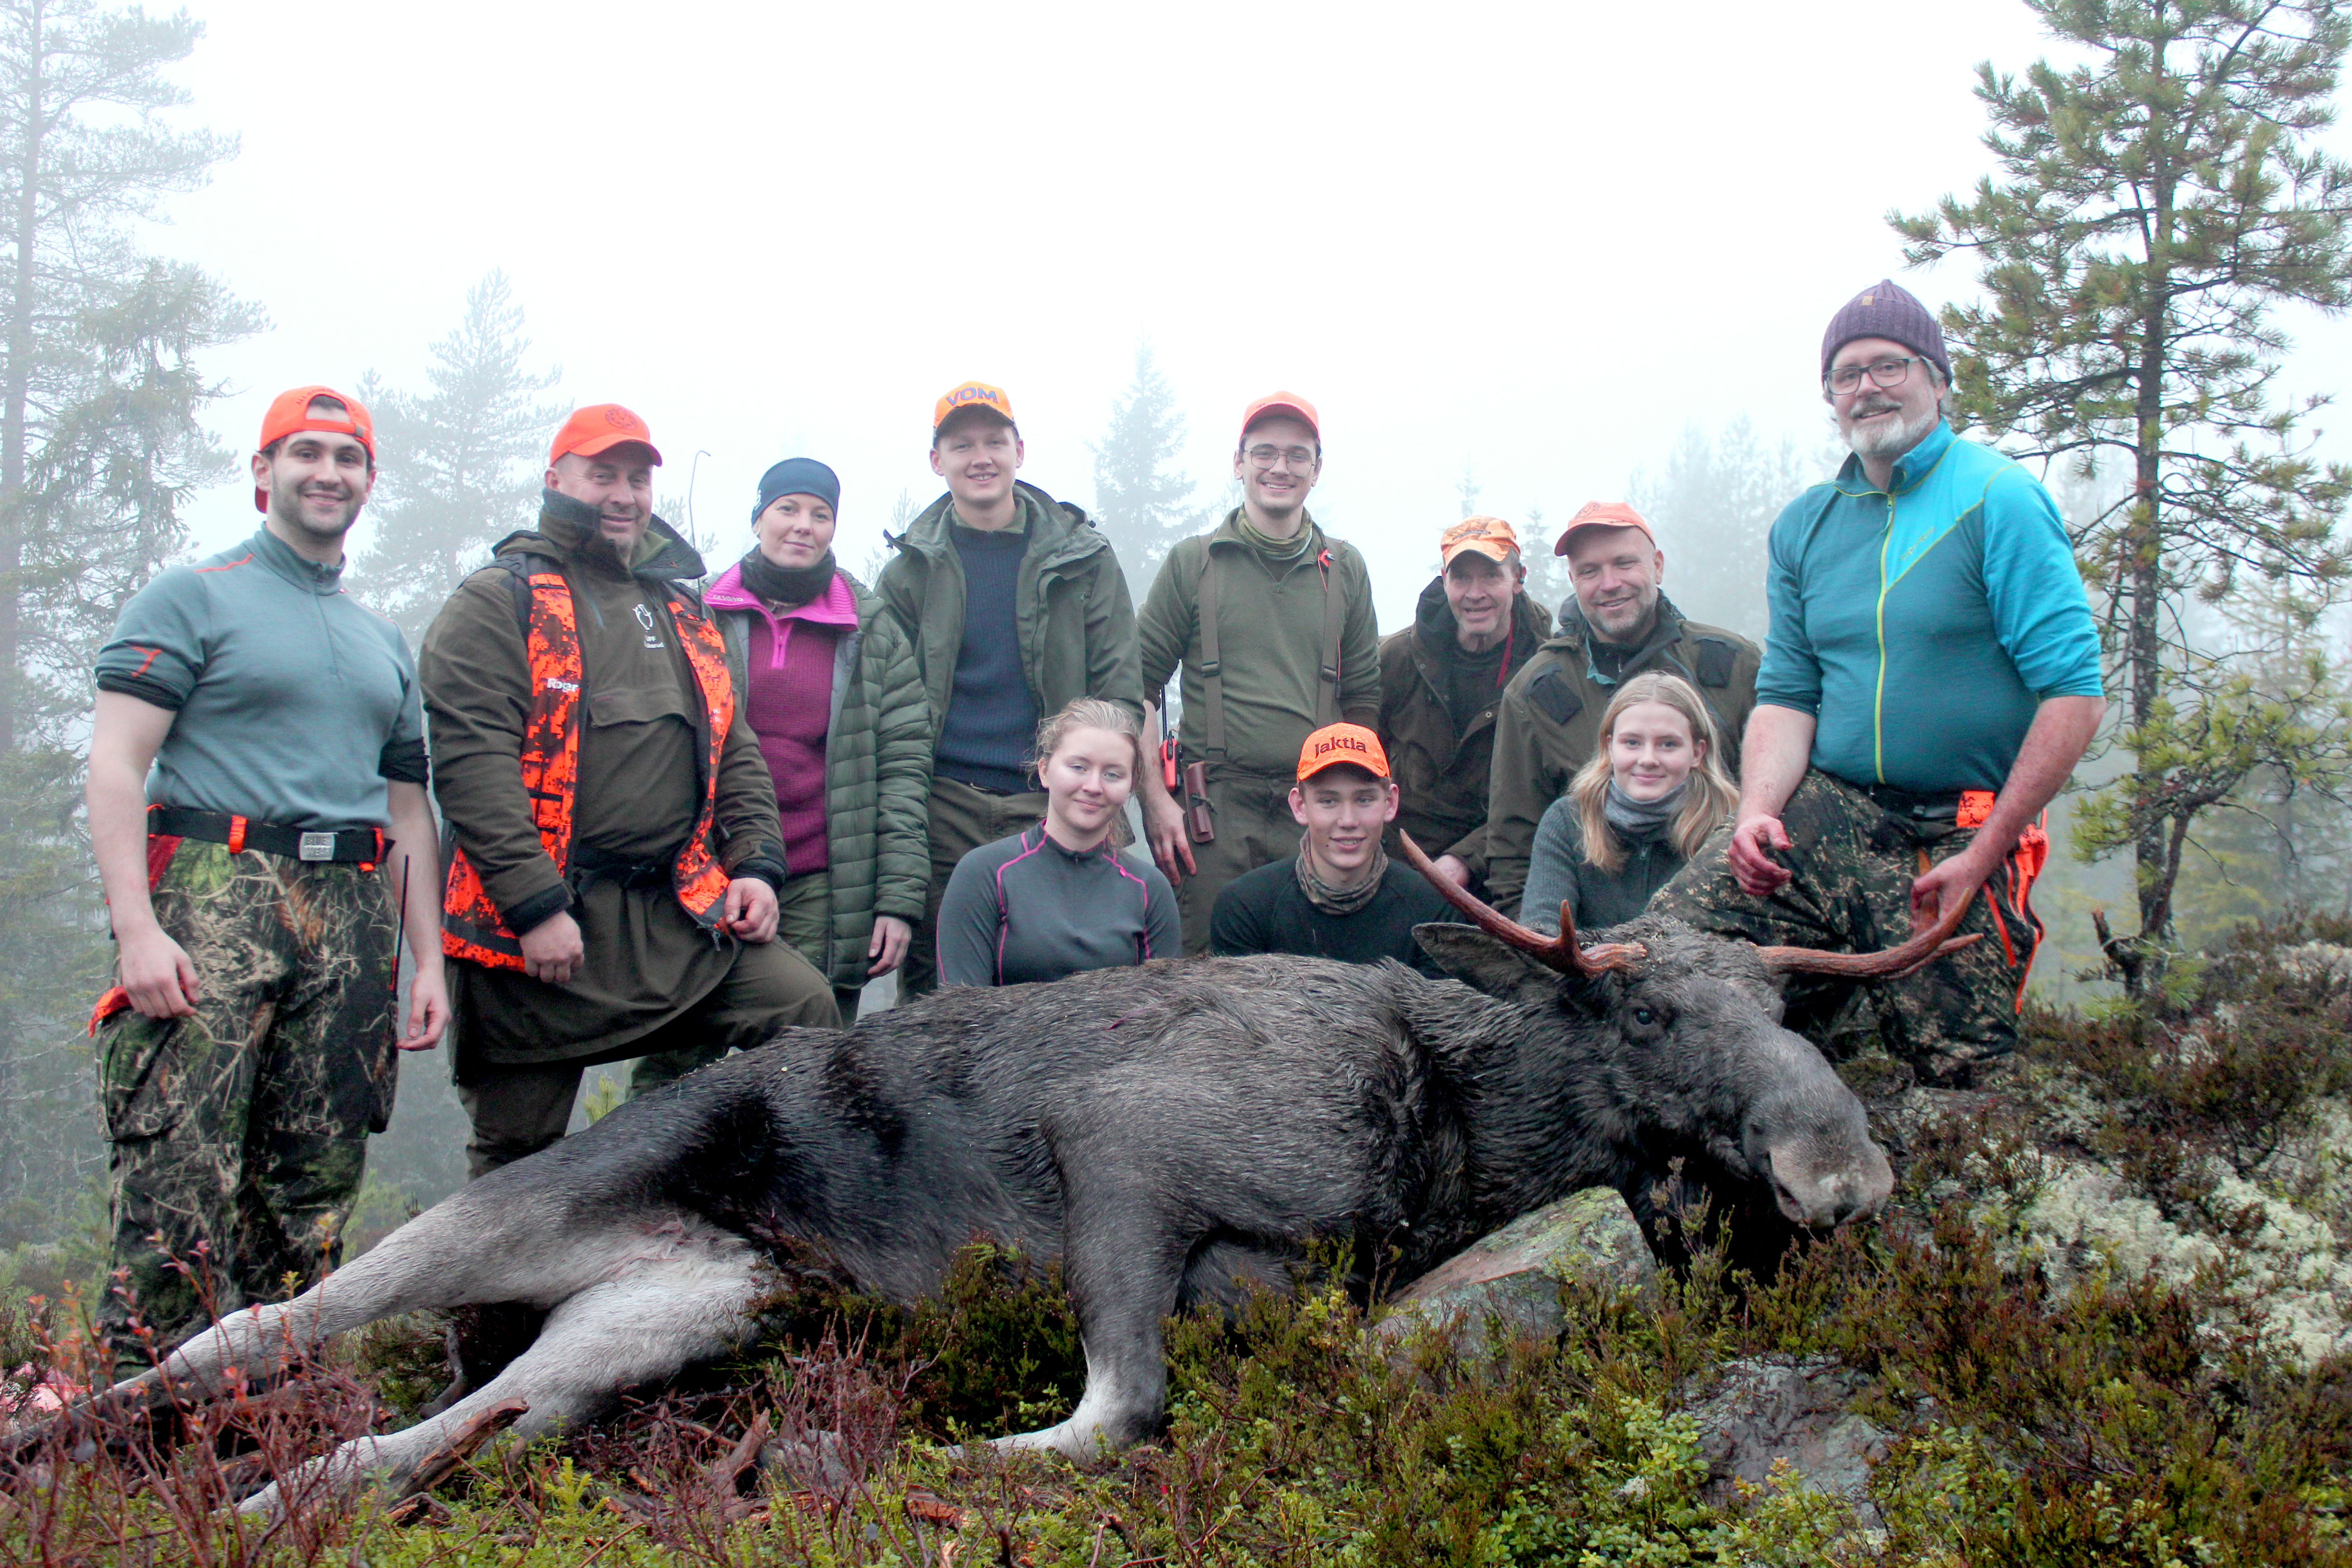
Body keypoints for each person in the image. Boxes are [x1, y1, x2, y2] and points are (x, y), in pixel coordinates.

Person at [1653, 279, 2106, 1086]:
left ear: (1937, 378)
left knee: (1957, 1069)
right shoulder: (1806, 525)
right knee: (1661, 957)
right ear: (1828, 397)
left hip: (1959, 824)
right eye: (1845, 374)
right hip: (1832, 807)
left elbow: (2072, 692)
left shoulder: (1997, 499)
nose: (1865, 386)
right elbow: (1787, 694)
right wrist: (1755, 812)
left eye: (1888, 365)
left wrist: (1988, 847)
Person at [84, 386, 448, 1370]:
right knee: (181, 1169)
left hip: (354, 910)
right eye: (307, 453)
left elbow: (408, 810)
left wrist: (426, 964)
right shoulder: (193, 596)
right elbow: (116, 764)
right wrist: (136, 931)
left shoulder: (381, 640)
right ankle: (141, 1436)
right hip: (215, 890)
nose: (329, 474)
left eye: (350, 459)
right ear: (263, 471)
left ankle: (278, 1425)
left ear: (370, 482)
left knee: (314, 1185)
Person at [422, 404, 840, 1178]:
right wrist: (534, 907)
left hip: (676, 915)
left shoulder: (677, 604)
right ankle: (496, 1304)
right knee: (517, 1160)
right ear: (555, 481)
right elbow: (471, 769)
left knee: (802, 1009)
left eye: (636, 478)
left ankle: (779, 1236)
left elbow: (732, 745)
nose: (623, 493)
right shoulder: (497, 601)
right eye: (601, 474)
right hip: (539, 933)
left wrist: (755, 865)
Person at [877, 381, 1143, 997]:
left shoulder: (1085, 559)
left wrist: (1095, 791)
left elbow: (1121, 694)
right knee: (940, 997)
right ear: (936, 460)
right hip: (942, 807)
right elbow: (886, 710)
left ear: (1019, 451)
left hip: (1050, 801)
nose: (981, 458)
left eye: (995, 442)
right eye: (961, 444)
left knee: (1070, 985)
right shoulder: (908, 573)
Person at [1137, 392, 1381, 953]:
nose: (1280, 468)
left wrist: (1351, 807)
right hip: (1213, 816)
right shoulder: (1193, 564)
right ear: (1239, 462)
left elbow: (1364, 698)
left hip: (1315, 810)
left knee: (1321, 981)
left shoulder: (1345, 569)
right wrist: (1155, 800)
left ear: (1316, 470)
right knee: (1207, 992)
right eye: (1265, 452)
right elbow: (1137, 689)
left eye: (1298, 456)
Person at [706, 458, 932, 1020]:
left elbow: (904, 769)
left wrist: (897, 902)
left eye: (820, 514)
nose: (803, 525)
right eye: (787, 509)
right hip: (709, 874)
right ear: (759, 518)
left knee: (810, 1070)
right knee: (680, 1067)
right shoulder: (698, 614)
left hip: (823, 884)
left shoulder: (870, 628)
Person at [1483, 501, 1760, 914]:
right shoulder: (1536, 693)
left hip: (1717, 929)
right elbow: (1513, 849)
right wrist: (1541, 955)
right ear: (1573, 580)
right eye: (1590, 571)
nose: (1609, 583)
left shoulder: (1733, 665)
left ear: (1658, 566)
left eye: (1625, 563)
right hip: (1593, 947)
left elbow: (1779, 804)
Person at [935, 698, 1179, 987]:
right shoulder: (983, 873)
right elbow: (958, 1014)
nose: (1093, 787)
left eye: (1113, 774)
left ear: (1129, 786)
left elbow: (1165, 1015)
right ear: (1044, 771)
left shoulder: (1150, 890)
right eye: (1078, 767)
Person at [1376, 515, 1551, 898]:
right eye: (1461, 578)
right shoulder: (1397, 659)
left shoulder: (1549, 672)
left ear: (1519, 579)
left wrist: (1465, 860)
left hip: (1508, 868)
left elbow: (1555, 793)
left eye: (1491, 576)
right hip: (1395, 862)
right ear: (1444, 580)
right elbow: (1360, 762)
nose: (1475, 593)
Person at [1209, 723, 1454, 977]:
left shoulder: (1433, 913)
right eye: (1328, 801)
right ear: (1300, 806)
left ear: (1390, 803)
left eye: (1364, 800)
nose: (1348, 821)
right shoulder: (1244, 907)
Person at [1522, 673, 1737, 935]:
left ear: (1697, 753)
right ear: (1610, 747)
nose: (1648, 759)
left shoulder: (1732, 826)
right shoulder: (1568, 819)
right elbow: (1542, 934)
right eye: (1632, 743)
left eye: (1668, 744)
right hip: (1591, 975)